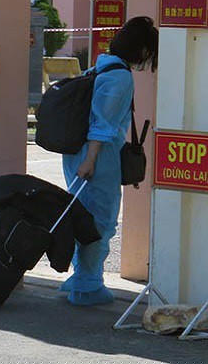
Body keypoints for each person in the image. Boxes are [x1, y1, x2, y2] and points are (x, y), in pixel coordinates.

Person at [60, 16, 158, 306]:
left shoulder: (100, 65)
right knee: (100, 220)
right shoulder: (120, 76)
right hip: (97, 158)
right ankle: (87, 285)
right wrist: (91, 160)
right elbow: (102, 125)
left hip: (77, 154)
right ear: (142, 49)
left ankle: (81, 276)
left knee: (82, 215)